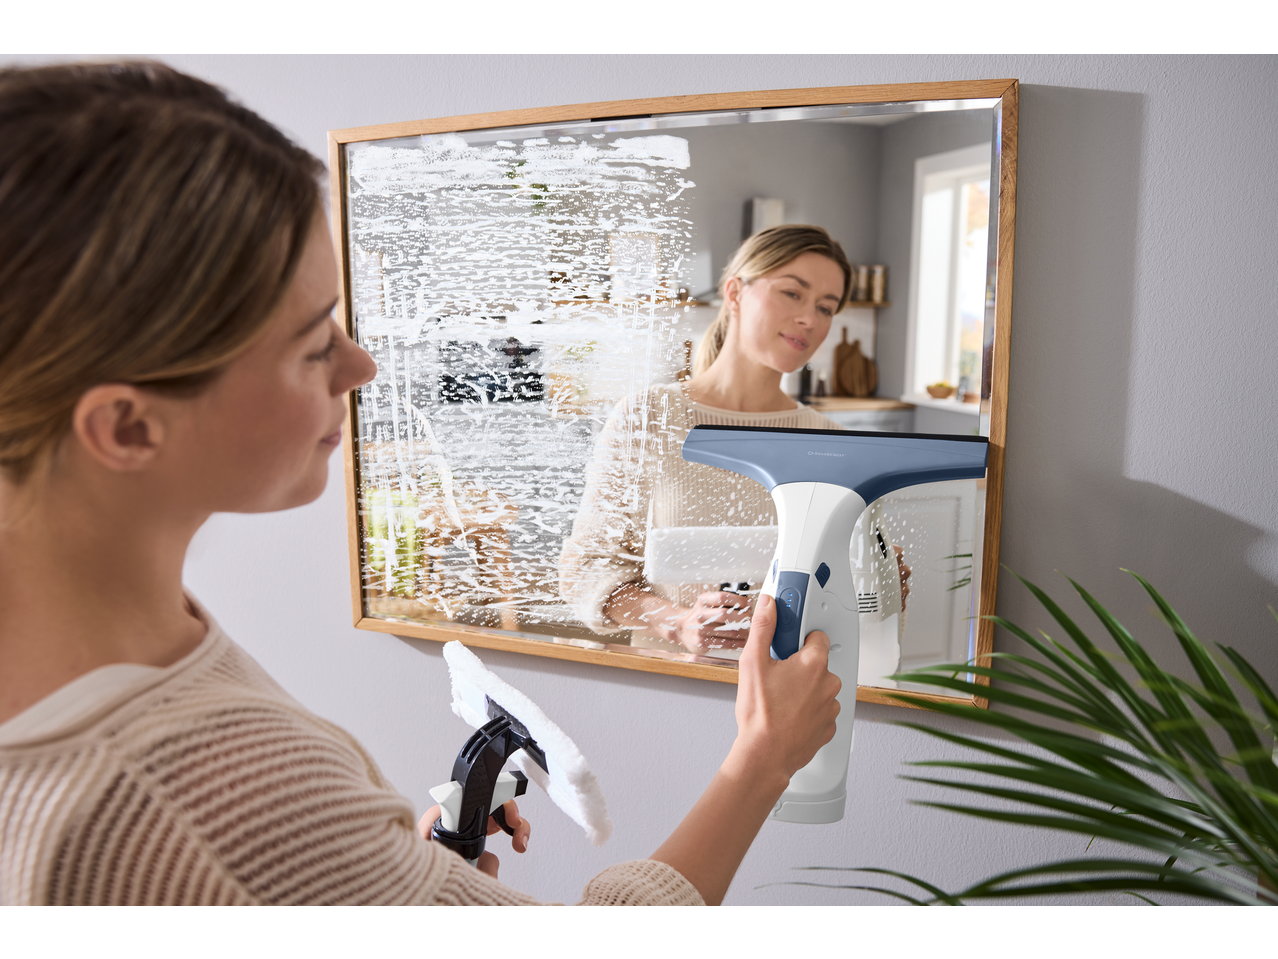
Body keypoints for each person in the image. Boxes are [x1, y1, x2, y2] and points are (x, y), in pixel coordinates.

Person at [0, 62, 840, 906]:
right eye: (308, 340)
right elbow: (221, 825)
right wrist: (761, 759)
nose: (360, 364)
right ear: (128, 427)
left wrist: (377, 871)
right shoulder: (203, 788)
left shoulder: (137, 673)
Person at [560, 226, 910, 656]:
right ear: (735, 293)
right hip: (668, 685)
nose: (810, 319)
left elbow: (841, 600)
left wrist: (878, 587)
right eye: (792, 293)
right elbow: (587, 571)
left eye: (826, 307)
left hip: (793, 690)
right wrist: (678, 622)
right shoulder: (649, 418)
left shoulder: (830, 440)